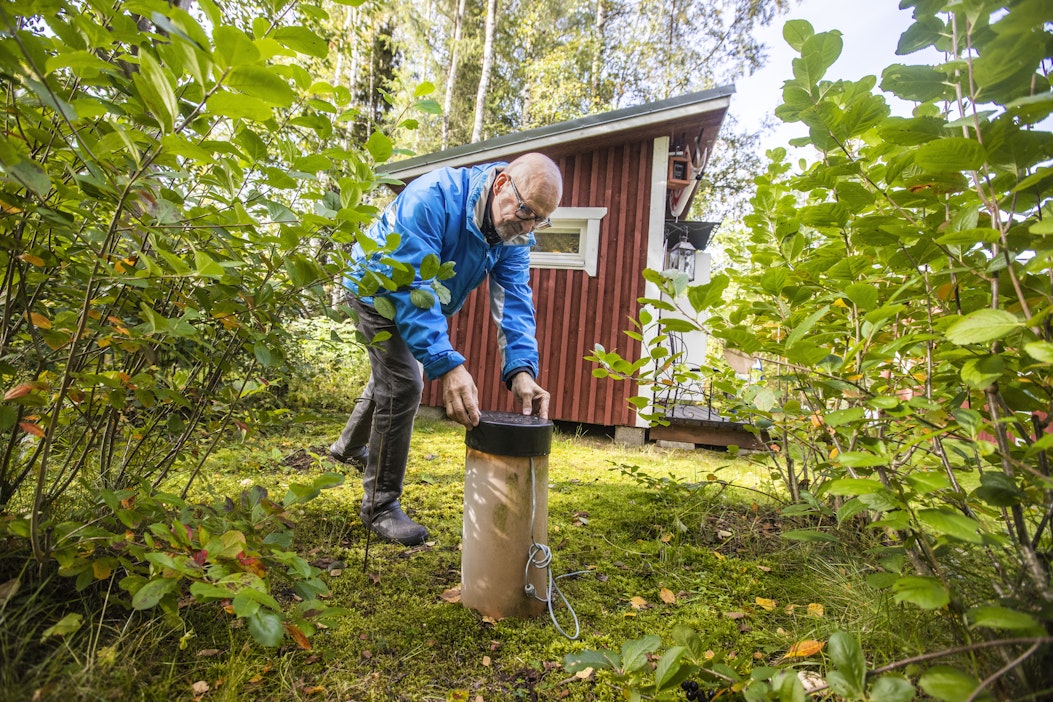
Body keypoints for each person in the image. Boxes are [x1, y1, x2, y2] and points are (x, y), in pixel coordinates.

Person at [329, 152, 563, 546]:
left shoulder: (515, 235)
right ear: (503, 184)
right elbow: (412, 285)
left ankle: (348, 447)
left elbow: (515, 302)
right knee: (404, 383)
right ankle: (380, 506)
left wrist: (522, 371)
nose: (527, 225)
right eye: (525, 211)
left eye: (539, 219)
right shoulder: (432, 198)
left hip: (418, 295)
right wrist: (447, 364)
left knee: (393, 376)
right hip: (376, 287)